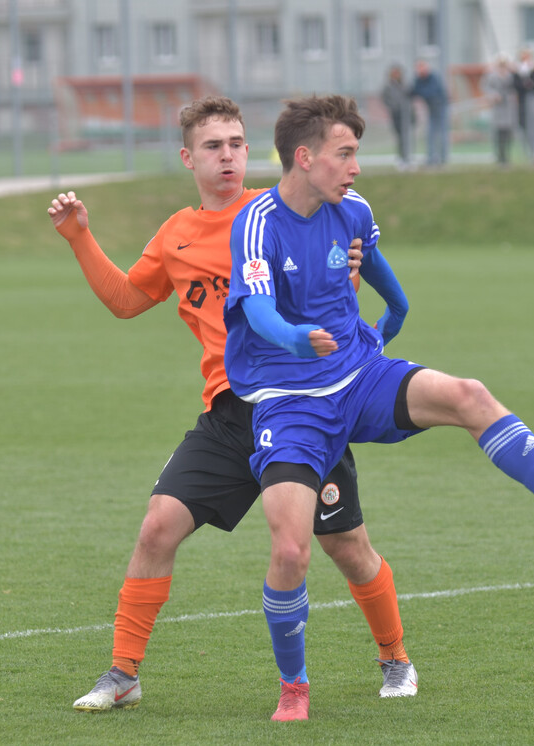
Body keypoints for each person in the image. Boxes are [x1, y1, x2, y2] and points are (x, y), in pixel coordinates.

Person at [224, 94, 534, 722]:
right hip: (292, 405)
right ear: (305, 157)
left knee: (469, 394)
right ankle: (295, 686)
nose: (356, 167)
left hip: (359, 375)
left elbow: (378, 267)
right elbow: (257, 311)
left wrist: (397, 308)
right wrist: (293, 337)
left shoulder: (352, 209)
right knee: (291, 550)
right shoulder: (259, 220)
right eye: (346, 153)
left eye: (357, 154)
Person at [47, 96, 418, 718]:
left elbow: (337, 278)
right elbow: (126, 300)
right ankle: (124, 672)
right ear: (188, 156)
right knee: (158, 525)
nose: (229, 155)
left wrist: (354, 269)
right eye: (214, 145)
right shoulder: (177, 235)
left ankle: (395, 657)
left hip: (302, 406)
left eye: (238, 143)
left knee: (346, 547)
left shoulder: (281, 211)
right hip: (230, 413)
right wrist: (81, 237)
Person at [411, 59, 449, 166]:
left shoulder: (434, 78)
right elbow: (414, 90)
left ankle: (442, 158)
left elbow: (430, 92)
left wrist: (420, 92)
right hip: (431, 110)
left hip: (440, 108)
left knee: (441, 134)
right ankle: (431, 158)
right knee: (430, 134)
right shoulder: (419, 79)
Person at [482, 54, 515, 166]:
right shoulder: (492, 77)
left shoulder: (510, 77)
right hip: (498, 108)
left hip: (508, 108)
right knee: (498, 133)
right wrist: (493, 95)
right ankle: (499, 156)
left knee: (507, 134)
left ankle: (506, 156)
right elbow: (486, 88)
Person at [381, 64, 413, 169]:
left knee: (406, 137)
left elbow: (409, 98)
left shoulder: (404, 85)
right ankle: (401, 158)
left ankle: (407, 158)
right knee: (400, 138)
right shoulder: (388, 87)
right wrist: (393, 107)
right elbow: (385, 99)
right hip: (396, 116)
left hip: (406, 115)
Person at [513, 48, 534, 163]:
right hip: (520, 102)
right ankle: (524, 152)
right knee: (521, 127)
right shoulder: (516, 71)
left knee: (532, 128)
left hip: (530, 101)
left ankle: (533, 152)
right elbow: (517, 86)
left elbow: (533, 85)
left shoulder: (533, 69)